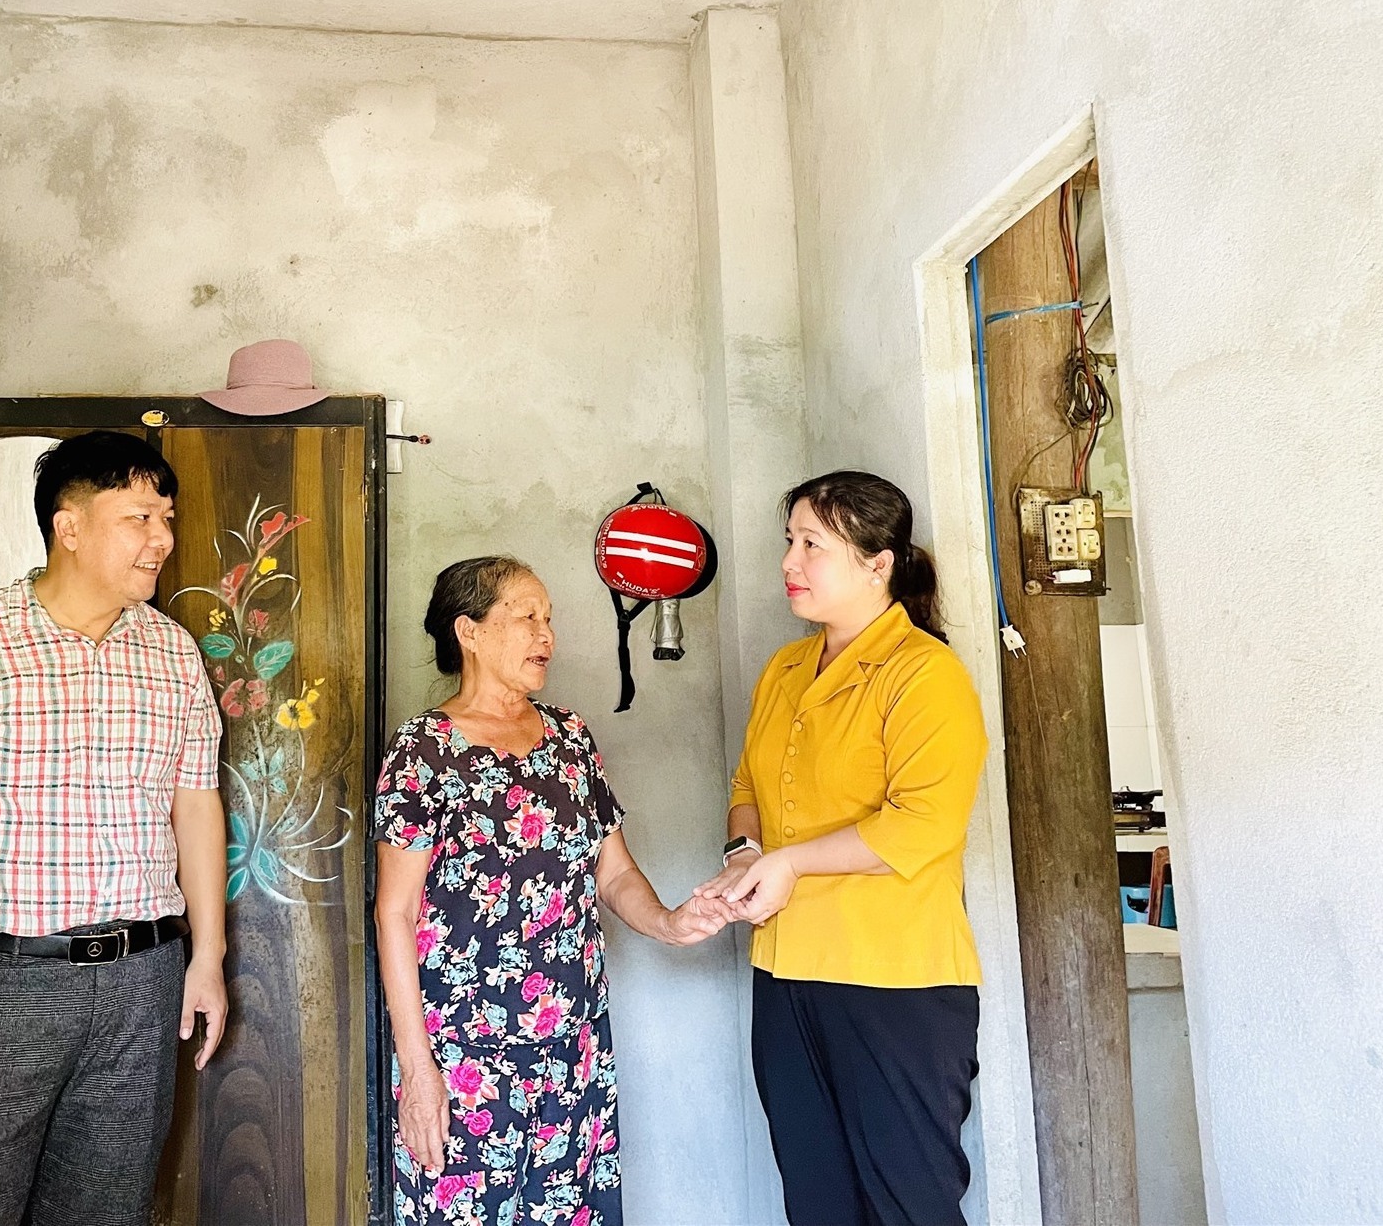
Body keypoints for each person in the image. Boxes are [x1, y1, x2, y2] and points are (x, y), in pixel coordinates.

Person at [0, 430, 229, 1226]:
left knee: (106, 1210)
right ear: (69, 527)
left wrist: (207, 955)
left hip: (143, 981)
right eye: (139, 517)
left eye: (166, 516)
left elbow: (195, 806)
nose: (162, 538)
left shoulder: (172, 653)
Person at [373, 556, 728, 1226]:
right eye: (526, 616)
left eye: (550, 619)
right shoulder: (423, 750)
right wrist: (417, 1070)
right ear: (469, 632)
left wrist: (671, 923)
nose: (547, 635)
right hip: (464, 1054)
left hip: (573, 1045)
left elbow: (614, 872)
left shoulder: (569, 738)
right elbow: (394, 912)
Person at [697, 470, 988, 1226]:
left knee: (910, 1203)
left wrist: (789, 862)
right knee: (818, 1199)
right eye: (789, 543)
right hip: (784, 975)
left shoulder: (924, 674)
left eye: (812, 545)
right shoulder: (786, 670)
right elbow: (748, 782)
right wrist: (743, 853)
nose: (790, 563)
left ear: (877, 564)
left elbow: (924, 822)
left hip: (895, 983)